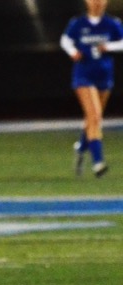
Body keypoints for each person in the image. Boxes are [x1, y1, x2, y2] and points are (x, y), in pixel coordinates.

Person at [60, 0, 123, 178]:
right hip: (83, 76)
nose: (98, 3)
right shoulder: (78, 23)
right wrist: (73, 52)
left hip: (104, 77)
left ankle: (81, 148)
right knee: (94, 116)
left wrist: (108, 46)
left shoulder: (112, 23)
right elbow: (65, 40)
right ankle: (98, 162)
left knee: (93, 119)